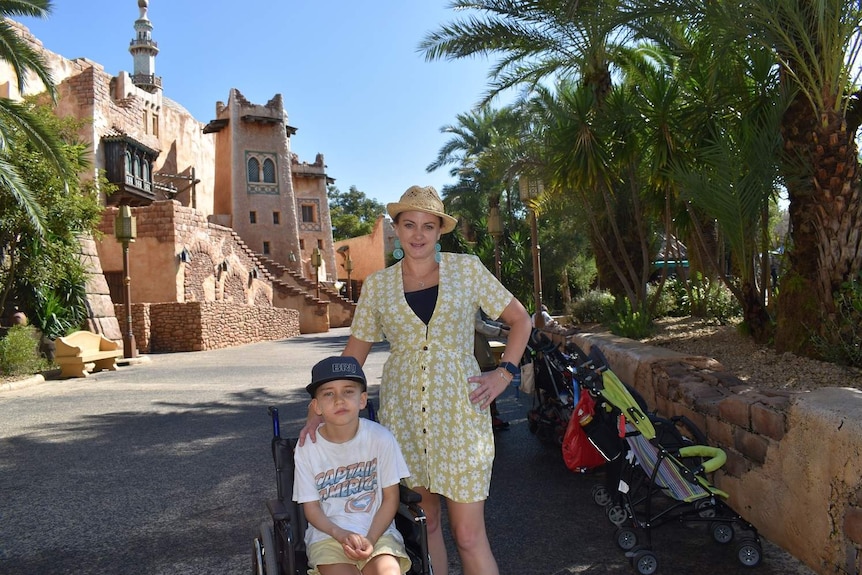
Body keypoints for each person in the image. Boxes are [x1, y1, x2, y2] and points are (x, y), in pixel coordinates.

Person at [301, 185, 532, 575]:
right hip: (405, 419)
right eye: (409, 224)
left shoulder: (467, 269)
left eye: (428, 225)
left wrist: (503, 373)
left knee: (470, 535)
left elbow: (520, 319)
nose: (419, 234)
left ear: (440, 230)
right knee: (428, 528)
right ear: (397, 229)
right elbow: (351, 360)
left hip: (462, 417)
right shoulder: (378, 286)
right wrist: (315, 411)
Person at [294, 356, 412, 575]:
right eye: (328, 393)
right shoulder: (307, 448)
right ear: (316, 406)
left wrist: (371, 538)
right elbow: (311, 508)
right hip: (328, 536)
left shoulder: (381, 439)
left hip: (379, 533)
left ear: (362, 400)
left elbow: (390, 499)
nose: (339, 400)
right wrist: (340, 534)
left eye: (348, 391)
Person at [474, 309, 510, 431]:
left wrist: (501, 326)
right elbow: (478, 325)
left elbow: (483, 321)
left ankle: (492, 415)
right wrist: (501, 331)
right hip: (476, 349)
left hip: (479, 346)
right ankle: (489, 417)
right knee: (485, 380)